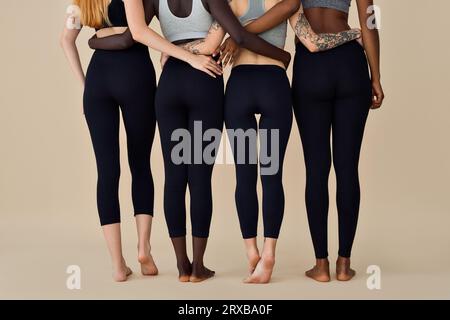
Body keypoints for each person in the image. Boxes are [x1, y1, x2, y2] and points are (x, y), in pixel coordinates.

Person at [89, 0, 291, 283]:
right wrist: (283, 56)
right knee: (200, 178)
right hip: (205, 83)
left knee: (174, 177)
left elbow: (130, 36)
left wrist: (93, 42)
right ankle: (199, 267)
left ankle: (182, 266)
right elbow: (230, 38)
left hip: (170, 86)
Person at [187, 0, 362, 283]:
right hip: (274, 90)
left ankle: (252, 252)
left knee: (245, 177)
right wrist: (352, 34)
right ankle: (269, 254)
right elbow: (314, 43)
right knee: (271, 175)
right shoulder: (287, 4)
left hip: (240, 92)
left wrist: (175, 52)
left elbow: (210, 45)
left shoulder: (230, 4)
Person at [60, 0, 221, 282]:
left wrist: (85, 85)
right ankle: (143, 248)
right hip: (134, 75)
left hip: (98, 80)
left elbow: (65, 40)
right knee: (141, 165)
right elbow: (138, 32)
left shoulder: (81, 1)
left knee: (107, 172)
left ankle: (117, 264)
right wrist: (187, 56)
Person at [292, 0, 385, 282]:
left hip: (311, 68)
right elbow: (369, 23)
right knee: (347, 169)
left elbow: (287, 13)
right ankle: (344, 264)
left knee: (316, 170)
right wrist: (376, 77)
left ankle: (321, 266)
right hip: (350, 67)